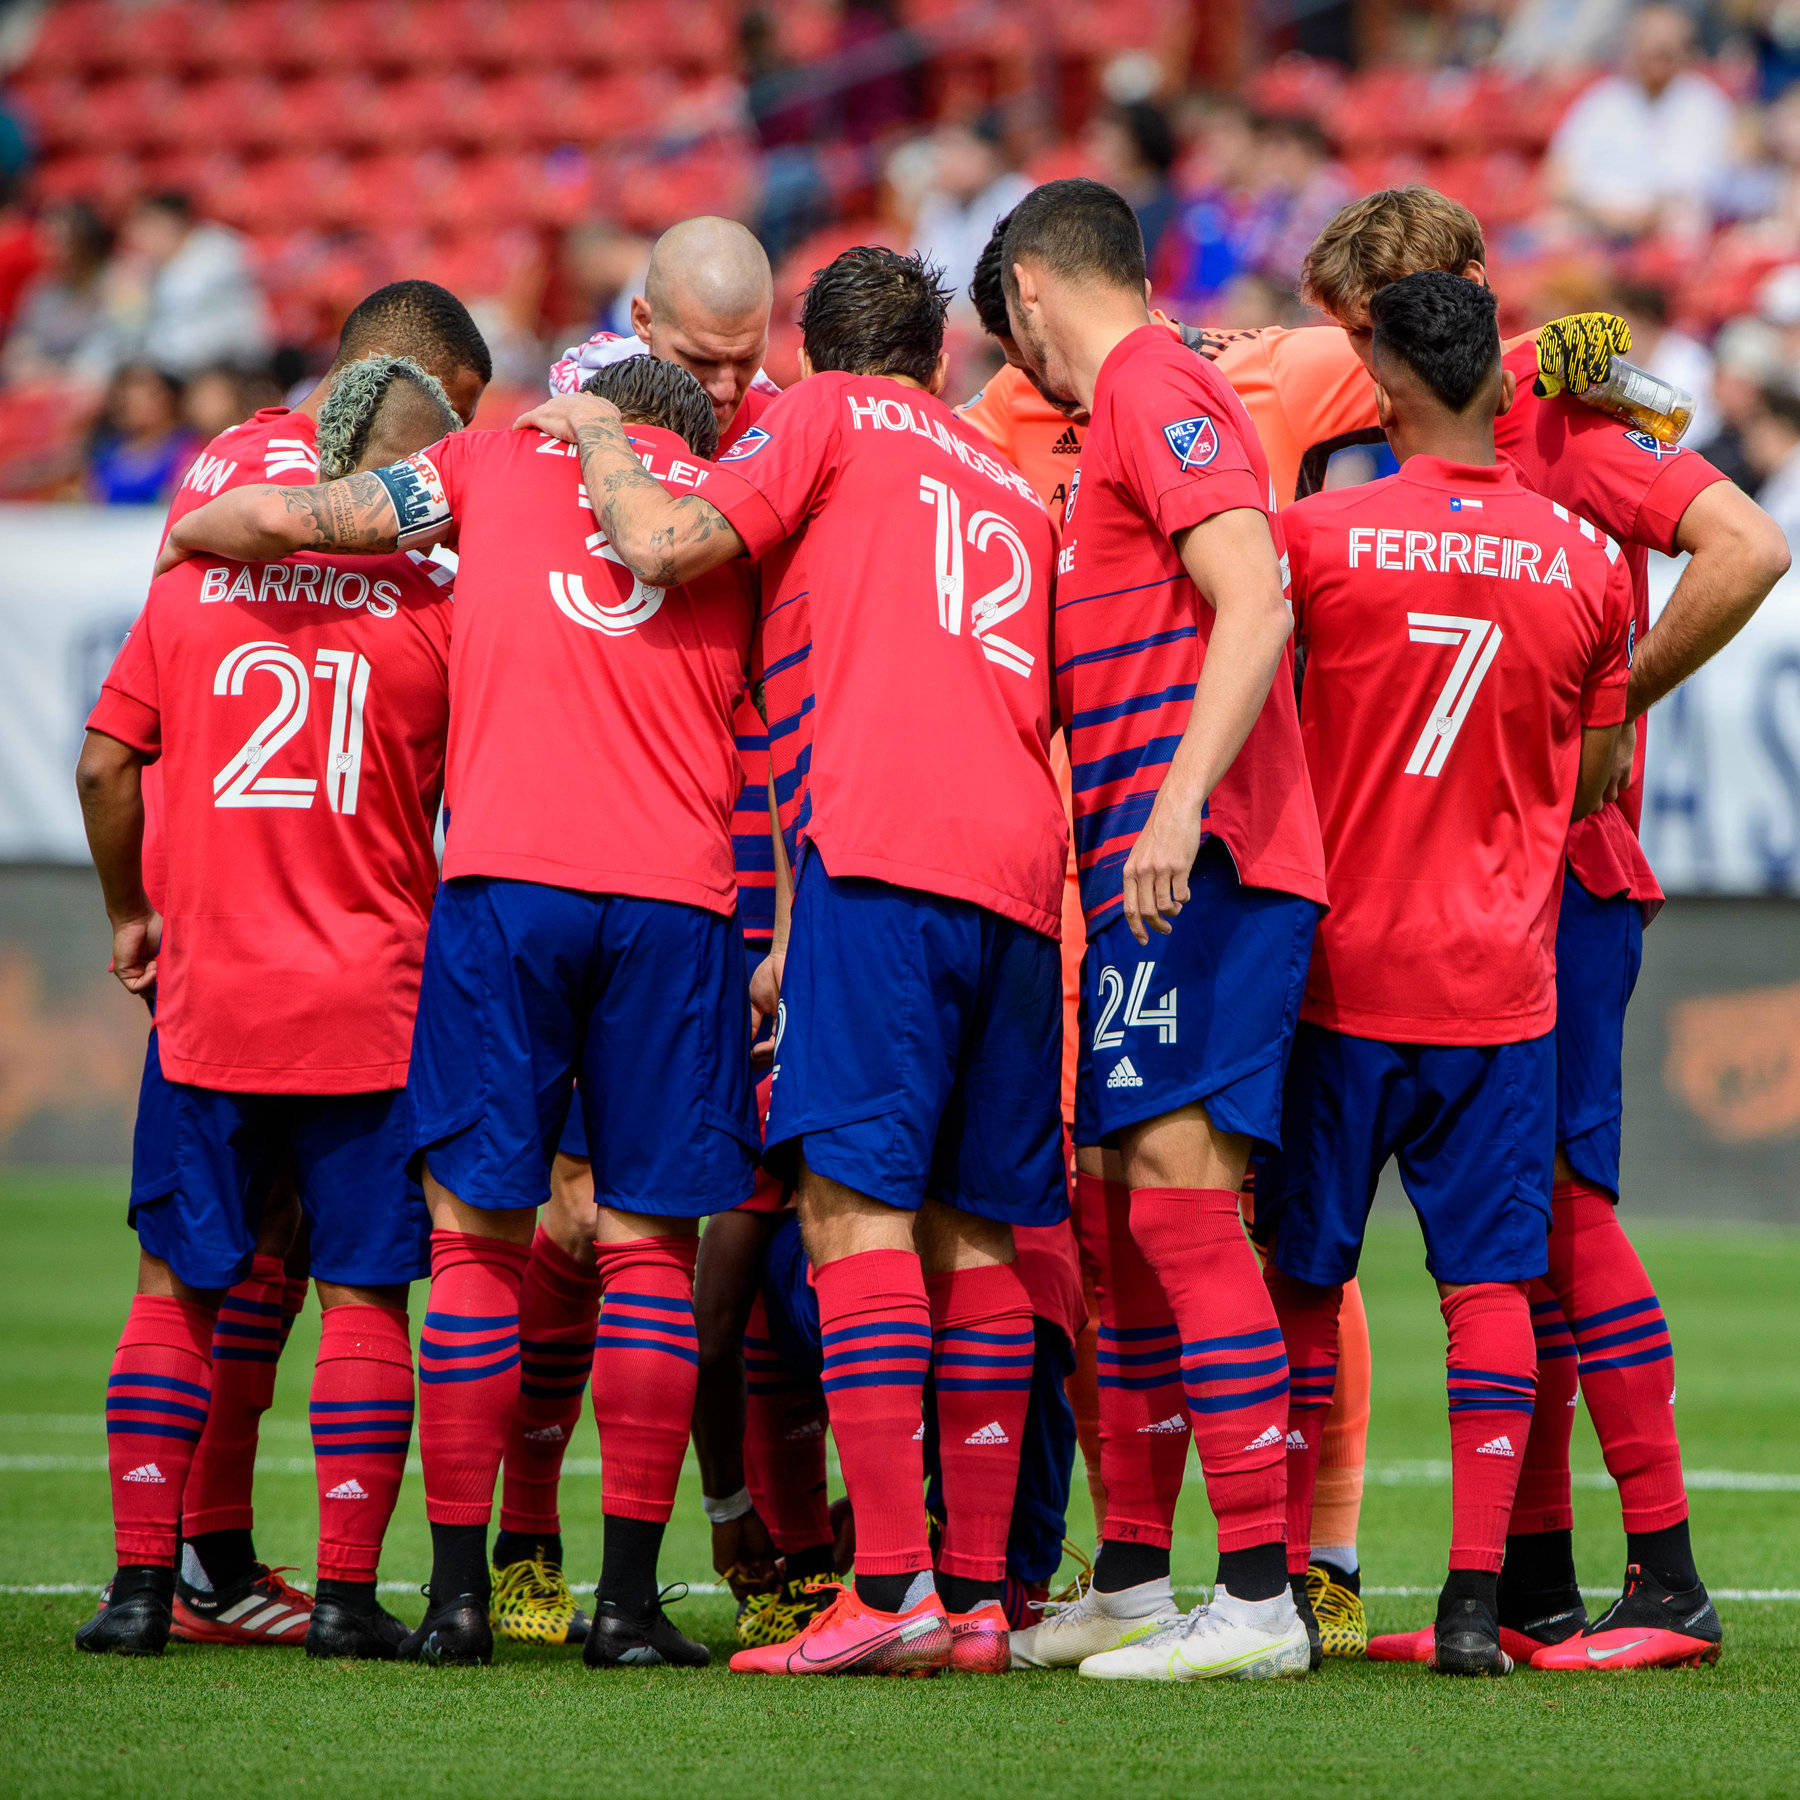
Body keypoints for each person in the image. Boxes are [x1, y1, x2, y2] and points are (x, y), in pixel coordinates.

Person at [159, 354, 756, 1674]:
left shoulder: (486, 466)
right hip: (673, 898)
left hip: (505, 890)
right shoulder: (742, 497)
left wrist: (187, 531)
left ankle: (455, 1603)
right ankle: (628, 1608)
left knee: (478, 1246)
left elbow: (292, 519)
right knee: (649, 1249)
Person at [520, 245, 1069, 1678]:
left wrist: (590, 430)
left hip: (881, 851)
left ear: (813, 357)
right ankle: (979, 1601)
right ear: (945, 358)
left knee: (849, 1213)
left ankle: (883, 1587)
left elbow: (665, 546)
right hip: (1022, 871)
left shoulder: (817, 420)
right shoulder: (1011, 480)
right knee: (980, 1235)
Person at [1301, 185, 1788, 1671]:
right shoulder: (1495, 413)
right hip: (1477, 885)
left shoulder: (1567, 421)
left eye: (1366, 325)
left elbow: (1748, 545)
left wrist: (1614, 698)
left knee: (1561, 1218)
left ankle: (1668, 1574)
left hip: (1556, 875)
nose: (1356, 358)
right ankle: (1537, 1583)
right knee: (1519, 1250)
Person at [962, 209, 1378, 1659]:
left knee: (1187, 1206)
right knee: (1120, 1206)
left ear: (1025, 292)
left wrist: (1181, 802)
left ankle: (1260, 1599)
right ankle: (1133, 1577)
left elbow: (1255, 598)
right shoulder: (1126, 411)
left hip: (1209, 860)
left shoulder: (1147, 381)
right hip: (1145, 870)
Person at [1265, 271, 1634, 1678]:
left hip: (1344, 971)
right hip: (1502, 979)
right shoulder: (1588, 562)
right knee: (1487, 1285)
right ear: (1497, 380)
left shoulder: (1317, 539)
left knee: (1307, 1282)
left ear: (1388, 391)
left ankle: (1293, 1588)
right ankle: (1479, 1602)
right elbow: (1598, 774)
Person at [72, 357, 467, 1660]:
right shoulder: (429, 608)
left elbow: (103, 762)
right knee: (363, 1301)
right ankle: (347, 1599)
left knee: (174, 1296)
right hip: (370, 998)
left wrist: (132, 910)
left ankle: (142, 1591)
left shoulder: (192, 588)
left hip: (212, 995)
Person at [491, 215, 781, 1650]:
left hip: (723, 864)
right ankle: (532, 1539)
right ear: (642, 326)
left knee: (710, 1227)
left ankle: (723, 1526)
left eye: (748, 362)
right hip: (602, 846)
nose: (727, 389)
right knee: (578, 1225)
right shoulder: (591, 394)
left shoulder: (767, 421)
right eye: (701, 361)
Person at [1545, 3, 1735, 241]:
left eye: (1664, 51)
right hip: (1592, 223)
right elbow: (1559, 176)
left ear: (1684, 51)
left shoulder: (1704, 104)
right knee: (1552, 228)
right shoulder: (1603, 99)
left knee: (1683, 224)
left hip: (1660, 231)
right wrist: (1600, 216)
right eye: (1646, 47)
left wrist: (1628, 220)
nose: (1653, 58)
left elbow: (1690, 194)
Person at [87, 365, 197, 507]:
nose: (133, 404)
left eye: (145, 396)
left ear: (169, 398)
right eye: (126, 398)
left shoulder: (188, 449)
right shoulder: (107, 450)